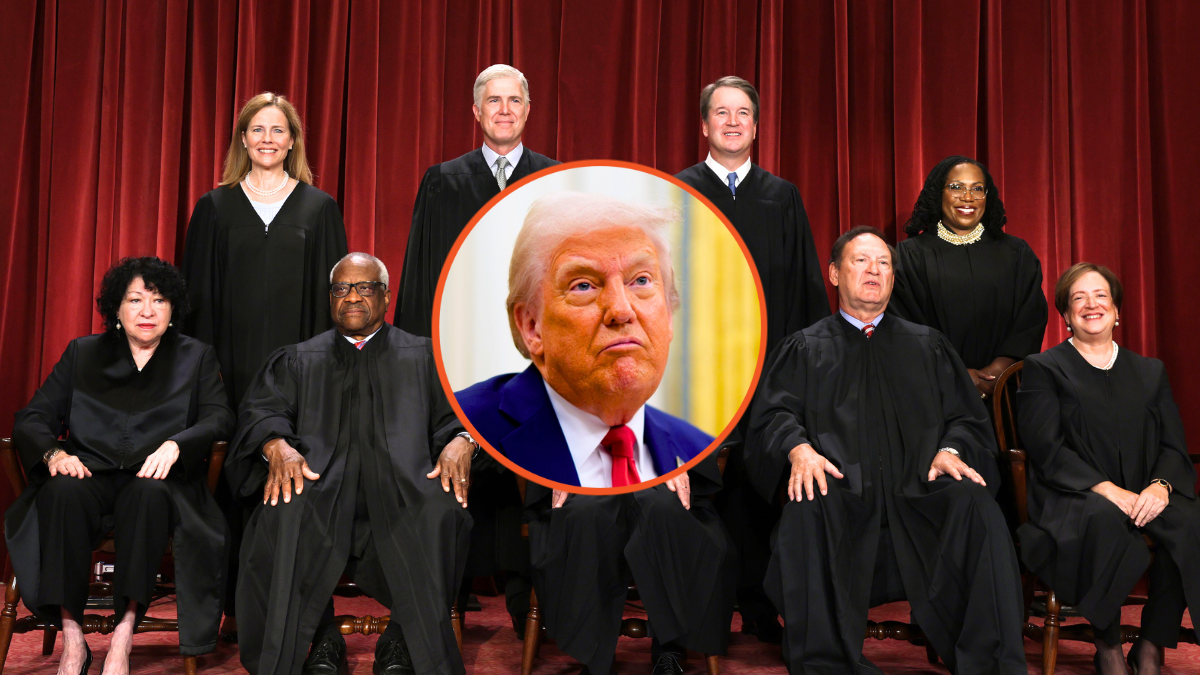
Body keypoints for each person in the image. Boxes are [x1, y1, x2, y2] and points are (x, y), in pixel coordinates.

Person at [457, 193, 734, 675]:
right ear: (532, 326)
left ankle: (669, 647)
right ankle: (593, 656)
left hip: (659, 503)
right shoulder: (480, 410)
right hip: (565, 515)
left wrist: (680, 469)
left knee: (666, 507)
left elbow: (709, 485)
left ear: (669, 317)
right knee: (590, 514)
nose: (622, 310)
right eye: (584, 285)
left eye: (642, 281)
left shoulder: (689, 439)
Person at [746, 227, 1026, 674]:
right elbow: (773, 416)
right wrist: (798, 449)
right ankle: (828, 663)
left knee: (975, 505)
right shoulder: (805, 348)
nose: (874, 270)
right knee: (807, 505)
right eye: (861, 261)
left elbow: (966, 420)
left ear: (893, 279)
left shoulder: (928, 346)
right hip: (840, 494)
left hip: (921, 490)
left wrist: (950, 450)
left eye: (884, 263)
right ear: (835, 274)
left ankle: (989, 663)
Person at [227, 252, 474, 675]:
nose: (352, 297)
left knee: (442, 513)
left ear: (386, 296)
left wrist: (463, 441)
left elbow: (463, 414)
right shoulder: (299, 359)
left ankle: (400, 641)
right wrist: (276, 446)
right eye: (341, 289)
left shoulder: (425, 356)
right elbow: (263, 413)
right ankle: (322, 640)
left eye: (364, 287)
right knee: (283, 511)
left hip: (404, 486)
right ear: (330, 298)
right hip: (319, 484)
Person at [6, 257, 233, 675]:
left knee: (147, 496)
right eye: (135, 300)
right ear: (117, 309)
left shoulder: (195, 356)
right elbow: (32, 417)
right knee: (60, 491)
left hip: (155, 478)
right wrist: (55, 454)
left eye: (159, 300)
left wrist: (177, 445)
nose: (147, 311)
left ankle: (124, 636)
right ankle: (74, 641)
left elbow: (219, 418)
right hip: (89, 473)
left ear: (173, 310)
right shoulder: (83, 352)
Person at [180, 91, 349, 633]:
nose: (268, 139)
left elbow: (336, 303)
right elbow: (195, 299)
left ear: (293, 140)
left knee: (292, 486)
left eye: (278, 130)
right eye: (258, 131)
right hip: (227, 373)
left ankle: (291, 610)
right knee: (228, 487)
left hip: (297, 379)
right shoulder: (214, 207)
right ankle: (230, 608)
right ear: (243, 141)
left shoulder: (319, 208)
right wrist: (203, 376)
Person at [675, 75, 830, 644]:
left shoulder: (781, 196)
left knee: (759, 482)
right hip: (696, 369)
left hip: (769, 367)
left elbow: (804, 287)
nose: (733, 121)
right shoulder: (679, 192)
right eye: (722, 112)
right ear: (705, 125)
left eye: (743, 113)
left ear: (757, 126)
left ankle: (761, 598)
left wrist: (802, 365)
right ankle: (702, 605)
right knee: (700, 486)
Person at [1017, 263, 1200, 675]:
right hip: (1074, 495)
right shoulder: (1045, 368)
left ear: (1117, 310)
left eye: (1100, 295)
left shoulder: (1149, 371)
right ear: (1065, 315)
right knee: (1103, 521)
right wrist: (1107, 489)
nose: (1090, 304)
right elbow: (1047, 449)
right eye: (1078, 298)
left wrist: (1160, 486)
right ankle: (1110, 646)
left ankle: (1151, 645)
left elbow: (1173, 443)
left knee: (1190, 521)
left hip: (1142, 490)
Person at [395, 64, 559, 338]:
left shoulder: (554, 180)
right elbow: (420, 278)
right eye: (494, 100)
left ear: (527, 110)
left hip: (535, 335)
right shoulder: (442, 182)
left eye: (515, 100)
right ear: (477, 111)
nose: (504, 110)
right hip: (462, 336)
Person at [890, 155, 1047, 400]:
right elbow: (904, 324)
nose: (968, 197)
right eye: (956, 187)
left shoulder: (1016, 253)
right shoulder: (910, 255)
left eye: (977, 189)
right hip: (934, 390)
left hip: (1003, 392)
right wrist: (956, 373)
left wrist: (998, 371)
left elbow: (1030, 317)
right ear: (938, 193)